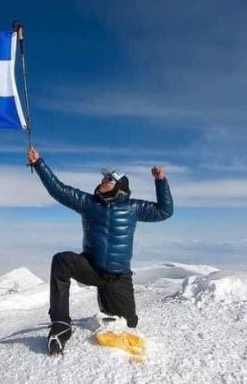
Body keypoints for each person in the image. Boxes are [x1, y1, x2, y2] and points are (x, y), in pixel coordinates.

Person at [26, 146, 174, 355]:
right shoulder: (88, 203)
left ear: (119, 187)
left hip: (119, 277)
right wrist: (39, 164)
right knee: (61, 261)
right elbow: (58, 190)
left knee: (129, 323)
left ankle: (107, 301)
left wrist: (160, 181)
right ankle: (60, 325)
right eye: (103, 178)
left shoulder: (133, 208)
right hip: (91, 268)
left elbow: (165, 211)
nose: (102, 181)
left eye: (108, 179)